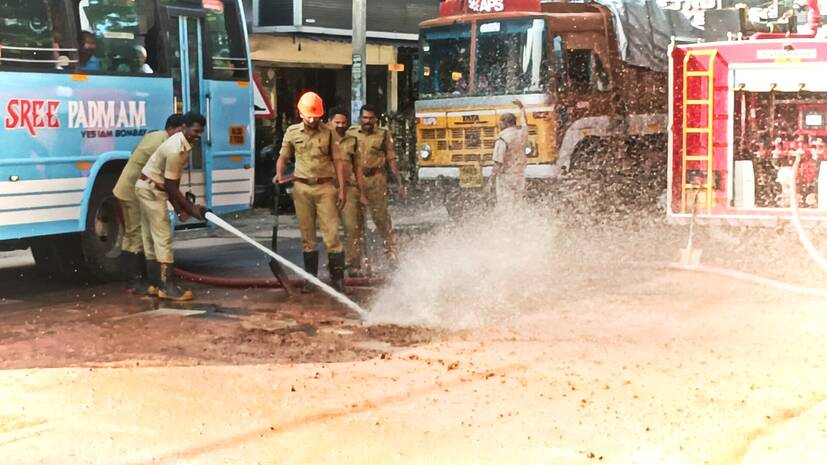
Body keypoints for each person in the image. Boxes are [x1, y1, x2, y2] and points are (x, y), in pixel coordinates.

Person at [274, 92, 348, 292]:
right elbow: (283, 156)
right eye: (309, 116)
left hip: (325, 188)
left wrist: (342, 189)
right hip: (302, 188)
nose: (313, 119)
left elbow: (338, 162)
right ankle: (311, 280)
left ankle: (338, 280)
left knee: (332, 236)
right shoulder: (292, 132)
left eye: (316, 116)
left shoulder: (330, 133)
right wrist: (279, 174)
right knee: (308, 237)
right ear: (301, 113)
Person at [135, 112, 208, 301]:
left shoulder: (180, 141)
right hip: (152, 189)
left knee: (150, 237)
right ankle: (167, 287)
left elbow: (171, 186)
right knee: (163, 237)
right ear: (184, 127)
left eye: (200, 132)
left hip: (145, 185)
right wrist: (190, 209)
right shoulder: (176, 149)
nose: (197, 135)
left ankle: (152, 284)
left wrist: (180, 208)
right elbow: (171, 186)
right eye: (195, 130)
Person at [113, 113, 185, 293]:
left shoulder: (154, 135)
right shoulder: (164, 143)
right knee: (136, 234)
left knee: (133, 234)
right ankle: (135, 282)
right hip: (132, 191)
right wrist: (180, 207)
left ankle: (136, 280)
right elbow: (168, 181)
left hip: (127, 188)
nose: (182, 136)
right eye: (180, 131)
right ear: (171, 129)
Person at [346, 105, 405, 266]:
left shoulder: (383, 134)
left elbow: (391, 158)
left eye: (371, 118)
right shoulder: (350, 133)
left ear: (376, 119)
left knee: (381, 219)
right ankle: (355, 260)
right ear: (360, 118)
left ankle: (391, 253)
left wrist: (399, 182)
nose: (367, 121)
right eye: (364, 118)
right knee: (353, 223)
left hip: (376, 180)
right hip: (354, 181)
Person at [328, 107, 368, 276]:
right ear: (330, 122)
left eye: (344, 123)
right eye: (337, 122)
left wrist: (363, 193)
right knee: (330, 230)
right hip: (328, 188)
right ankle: (334, 265)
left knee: (353, 227)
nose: (340, 126)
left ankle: (354, 264)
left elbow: (358, 168)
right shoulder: (323, 139)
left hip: (350, 188)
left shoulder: (352, 140)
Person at [491, 100, 529, 206]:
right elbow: (524, 123)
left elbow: (498, 163)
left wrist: (491, 180)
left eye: (501, 121)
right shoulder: (522, 134)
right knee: (518, 202)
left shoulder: (502, 139)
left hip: (506, 176)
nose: (499, 123)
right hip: (519, 174)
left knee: (505, 203)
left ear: (506, 123)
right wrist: (522, 108)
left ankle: (507, 221)